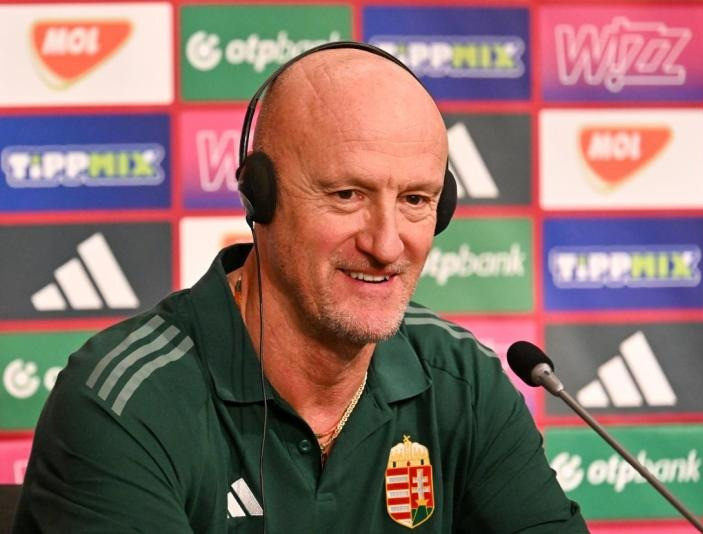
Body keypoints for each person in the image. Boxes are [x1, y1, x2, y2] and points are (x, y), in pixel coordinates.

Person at [13, 42, 588, 533]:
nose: (387, 244)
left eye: (415, 199)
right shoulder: (124, 405)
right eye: (347, 195)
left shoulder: (462, 379)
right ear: (259, 199)